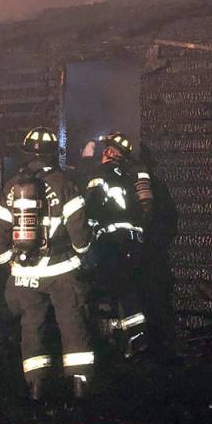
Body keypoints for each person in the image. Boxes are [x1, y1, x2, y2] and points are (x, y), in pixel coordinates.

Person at [0, 127, 93, 400]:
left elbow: (0, 230)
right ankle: (80, 387)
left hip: (25, 274)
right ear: (53, 154)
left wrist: (7, 261)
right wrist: (81, 252)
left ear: (26, 153)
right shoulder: (65, 183)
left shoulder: (12, 187)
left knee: (32, 326)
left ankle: (37, 388)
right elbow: (79, 230)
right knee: (72, 322)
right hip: (61, 270)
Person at [84, 131, 153, 358]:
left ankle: (117, 343)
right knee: (129, 289)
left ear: (109, 151)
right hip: (135, 242)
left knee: (112, 289)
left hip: (111, 242)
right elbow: (143, 210)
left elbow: (91, 208)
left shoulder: (100, 174)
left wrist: (84, 238)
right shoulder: (131, 176)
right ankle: (136, 340)